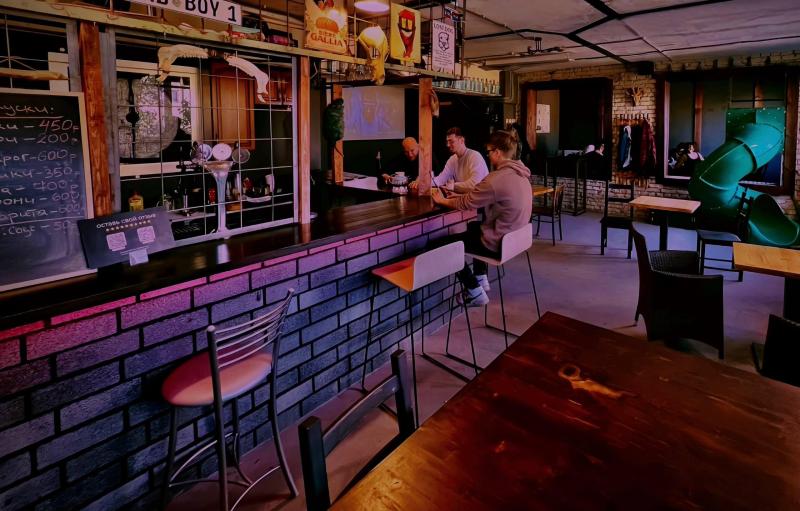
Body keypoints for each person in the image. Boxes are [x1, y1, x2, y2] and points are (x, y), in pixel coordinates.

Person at [429, 130, 533, 306]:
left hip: (496, 243)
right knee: (473, 227)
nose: (488, 156)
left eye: (489, 152)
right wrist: (458, 197)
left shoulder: (496, 179)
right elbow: (475, 197)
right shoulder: (522, 175)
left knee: (441, 245)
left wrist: (443, 201)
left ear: (497, 152)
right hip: (515, 239)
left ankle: (474, 291)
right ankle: (480, 277)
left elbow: (467, 203)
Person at [410, 127, 488, 193]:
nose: (448, 145)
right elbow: (441, 179)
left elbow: (475, 184)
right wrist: (423, 182)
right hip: (466, 197)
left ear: (462, 140)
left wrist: (453, 185)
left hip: (481, 201)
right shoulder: (452, 159)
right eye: (447, 142)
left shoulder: (475, 156)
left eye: (451, 141)